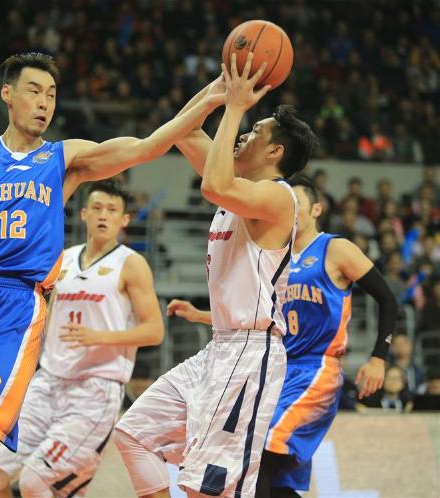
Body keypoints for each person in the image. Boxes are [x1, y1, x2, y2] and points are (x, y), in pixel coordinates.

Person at [0, 52, 223, 498]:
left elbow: (146, 146)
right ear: (8, 94)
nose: (45, 102)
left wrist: (213, 94)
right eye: (34, 91)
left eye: (52, 94)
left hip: (12, 303)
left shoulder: (64, 158)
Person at [114, 52, 317, 498]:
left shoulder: (278, 198)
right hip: (218, 348)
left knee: (208, 489)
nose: (243, 134)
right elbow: (184, 129)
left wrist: (236, 107)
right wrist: (218, 91)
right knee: (134, 433)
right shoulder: (239, 187)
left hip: (250, 354)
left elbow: (213, 186)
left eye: (256, 132)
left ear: (275, 152)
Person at [166, 176, 398, 498]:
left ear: (317, 209)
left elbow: (388, 298)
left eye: (296, 203)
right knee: (275, 481)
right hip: (276, 367)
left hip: (315, 369)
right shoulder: (276, 255)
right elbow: (260, 315)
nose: (290, 209)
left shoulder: (336, 249)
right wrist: (201, 315)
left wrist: (378, 358)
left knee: (259, 447)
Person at [0, 180, 164, 498]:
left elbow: (154, 330)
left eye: (112, 210)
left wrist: (100, 337)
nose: (103, 215)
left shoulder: (131, 264)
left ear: (124, 219)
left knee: (35, 483)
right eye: (97, 208)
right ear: (84, 214)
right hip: (47, 383)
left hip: (94, 390)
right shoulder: (64, 259)